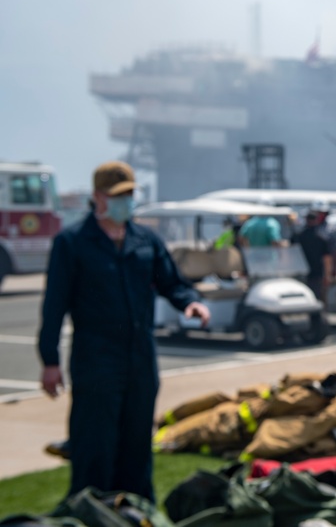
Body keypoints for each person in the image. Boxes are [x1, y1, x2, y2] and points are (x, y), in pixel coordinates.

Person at [37, 160, 210, 501]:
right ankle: (89, 509)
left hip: (140, 357)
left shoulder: (145, 239)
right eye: (118, 196)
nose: (125, 203)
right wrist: (50, 361)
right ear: (97, 198)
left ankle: (136, 507)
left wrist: (190, 301)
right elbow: (54, 306)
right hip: (96, 358)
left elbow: (171, 282)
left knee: (136, 442)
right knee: (95, 442)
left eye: (130, 195)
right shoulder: (72, 243)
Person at [291, 203, 336, 305]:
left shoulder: (299, 236)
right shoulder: (321, 238)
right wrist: (328, 276)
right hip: (317, 275)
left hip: (302, 274)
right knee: (319, 301)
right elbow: (327, 258)